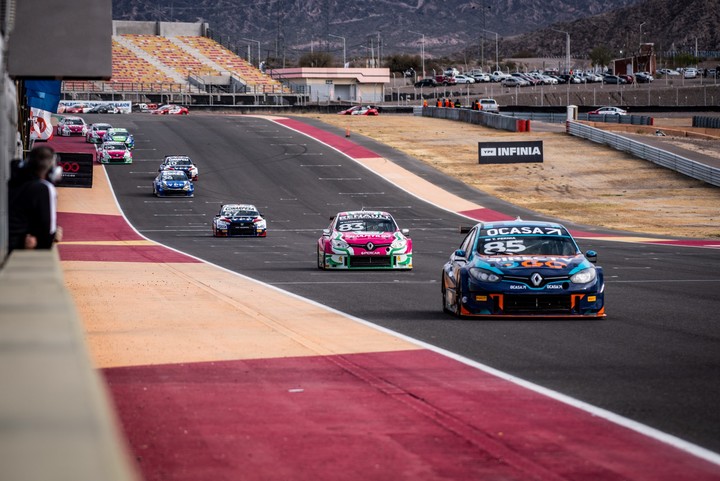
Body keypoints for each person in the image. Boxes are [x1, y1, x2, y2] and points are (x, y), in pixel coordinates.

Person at [7, 145, 63, 252]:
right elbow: (47, 236)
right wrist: (54, 234)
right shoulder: (44, 188)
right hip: (17, 249)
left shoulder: (14, 179)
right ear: (51, 171)